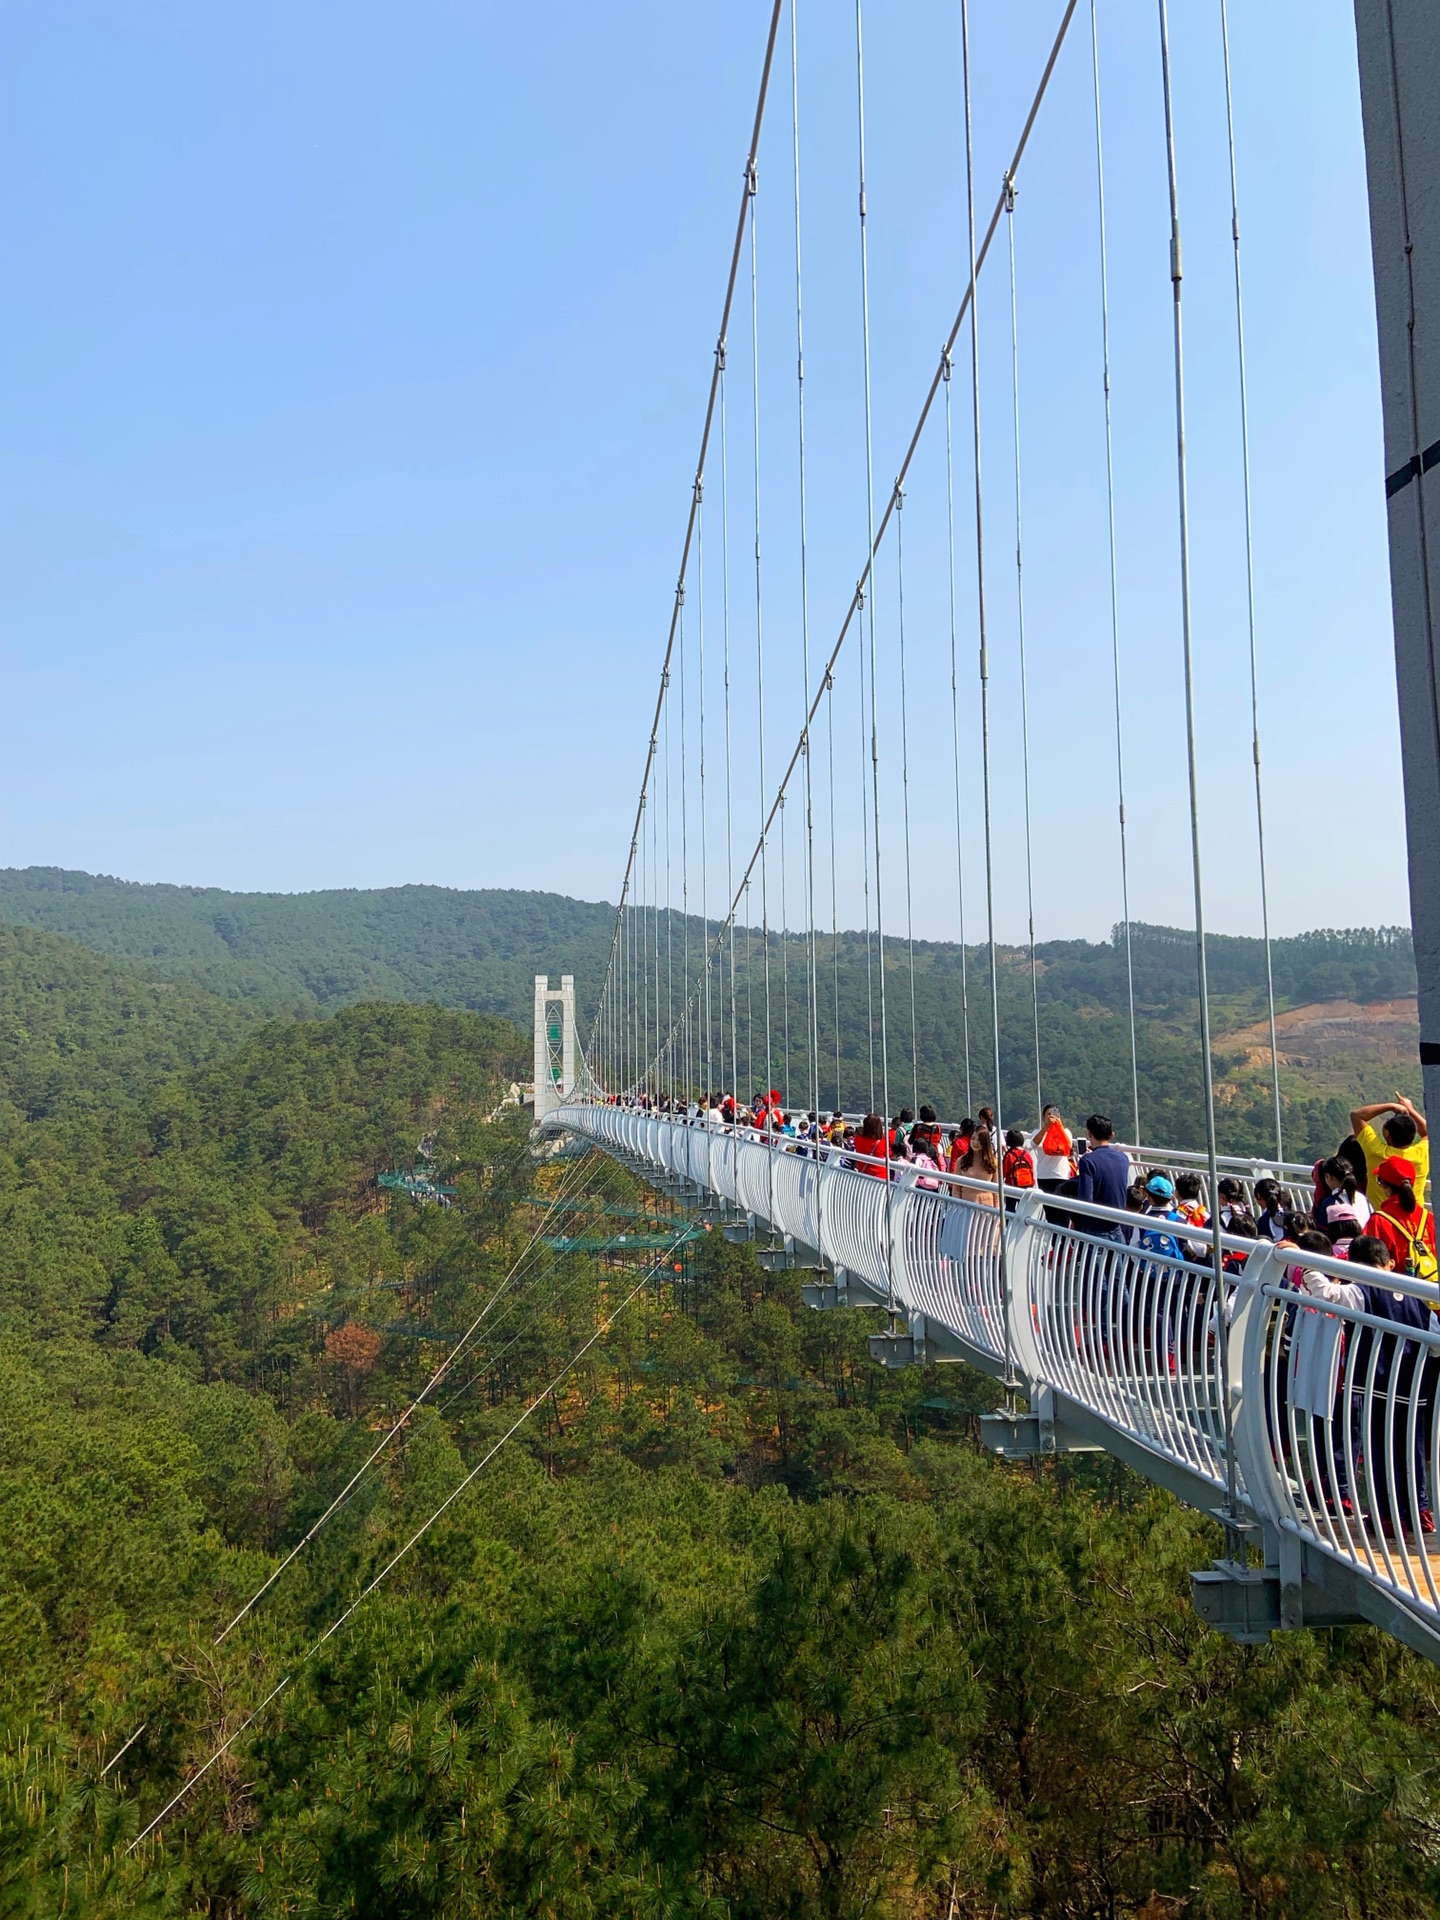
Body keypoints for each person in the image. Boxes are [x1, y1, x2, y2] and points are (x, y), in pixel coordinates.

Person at [1304, 1234, 1438, 1536]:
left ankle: (1388, 1517)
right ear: (1389, 1261)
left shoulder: (1362, 1289)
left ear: (1354, 1263)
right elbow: (1435, 1340)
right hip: (1413, 1387)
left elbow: (1326, 1294)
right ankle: (1419, 1511)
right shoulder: (1414, 1294)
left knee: (1380, 1449)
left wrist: (1307, 1265)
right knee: (1410, 1449)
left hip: (1376, 1384)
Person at [1350, 1093, 1430, 1208]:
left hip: (1384, 1218)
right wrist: (1410, 1109)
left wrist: (1391, 1106)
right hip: (1415, 1219)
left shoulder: (1376, 1151)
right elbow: (1429, 1132)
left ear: (1387, 1134)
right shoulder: (1421, 1153)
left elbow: (1356, 1116)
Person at [1368, 1154, 1438, 1284]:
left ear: (1384, 1186)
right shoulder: (1429, 1217)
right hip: (1432, 1292)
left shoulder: (1378, 1222)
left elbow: (1368, 1261)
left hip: (1399, 1294)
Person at [1073, 1113, 1131, 1219]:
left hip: (1096, 1223)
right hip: (1118, 1220)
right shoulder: (1123, 1158)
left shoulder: (1088, 1161)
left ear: (1089, 1134)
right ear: (1111, 1134)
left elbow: (1085, 1199)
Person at [1030, 1104, 1075, 1192]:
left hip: (1061, 1174)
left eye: (1054, 1114)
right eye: (1048, 1114)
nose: (1051, 1116)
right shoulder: (1038, 1132)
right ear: (1043, 1117)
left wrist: (1059, 1124)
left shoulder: (1066, 1132)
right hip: (1044, 1175)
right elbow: (1033, 1144)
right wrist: (1046, 1127)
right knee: (1047, 1204)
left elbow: (1068, 1145)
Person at [960, 1126, 1000, 1205]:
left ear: (985, 1142)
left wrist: (997, 1210)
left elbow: (997, 1190)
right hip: (965, 1207)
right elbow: (956, 1188)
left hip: (987, 1207)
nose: (975, 1142)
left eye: (979, 1140)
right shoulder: (962, 1160)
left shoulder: (993, 1162)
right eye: (973, 1138)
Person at [853, 1113, 889, 1178]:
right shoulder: (883, 1143)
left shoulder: (857, 1140)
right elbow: (889, 1155)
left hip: (863, 1176)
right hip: (880, 1178)